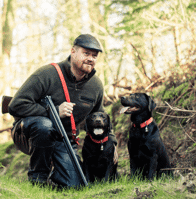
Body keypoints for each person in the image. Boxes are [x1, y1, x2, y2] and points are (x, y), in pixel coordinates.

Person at [8, 34, 117, 188]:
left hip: (65, 138)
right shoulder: (46, 74)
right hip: (28, 133)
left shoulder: (96, 85)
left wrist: (112, 142)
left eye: (94, 55)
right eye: (86, 53)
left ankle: (56, 175)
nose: (91, 59)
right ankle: (38, 181)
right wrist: (51, 112)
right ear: (73, 51)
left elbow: (99, 115)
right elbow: (15, 105)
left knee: (75, 186)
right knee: (44, 126)